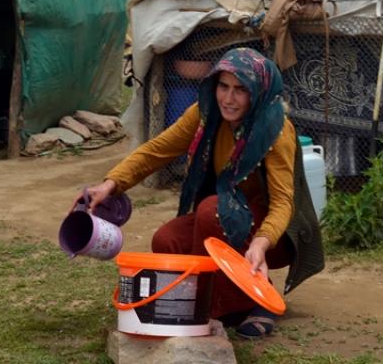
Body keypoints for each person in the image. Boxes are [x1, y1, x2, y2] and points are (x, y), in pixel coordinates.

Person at [84, 47, 323, 338]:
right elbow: (155, 152)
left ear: (258, 92)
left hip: (273, 237)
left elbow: (284, 202)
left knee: (213, 211)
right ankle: (216, 300)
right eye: (223, 86)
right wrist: (110, 184)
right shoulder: (204, 112)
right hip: (227, 217)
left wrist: (261, 243)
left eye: (240, 89)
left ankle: (248, 303)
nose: (228, 98)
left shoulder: (275, 129)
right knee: (167, 240)